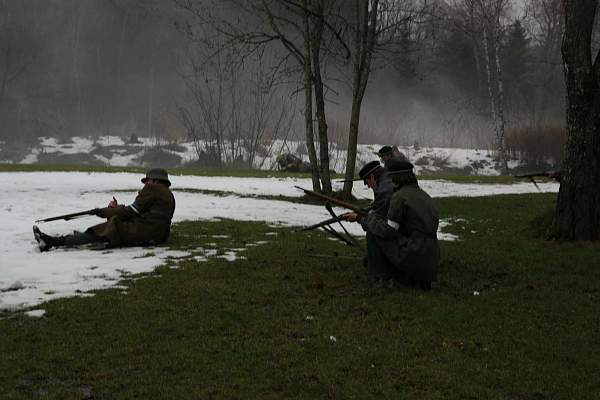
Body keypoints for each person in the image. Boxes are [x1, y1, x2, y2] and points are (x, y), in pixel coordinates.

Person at [343, 159, 439, 290]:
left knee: (374, 231)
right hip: (431, 255)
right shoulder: (423, 194)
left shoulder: (398, 197)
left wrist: (362, 218)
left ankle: (380, 278)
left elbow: (387, 230)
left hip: (415, 252)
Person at [33, 168, 176, 252]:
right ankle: (68, 239)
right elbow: (140, 212)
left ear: (155, 181)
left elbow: (131, 212)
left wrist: (104, 212)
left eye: (148, 181)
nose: (146, 184)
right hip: (158, 234)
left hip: (145, 231)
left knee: (106, 229)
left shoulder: (153, 189)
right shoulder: (168, 194)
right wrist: (115, 209)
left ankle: (53, 242)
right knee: (109, 226)